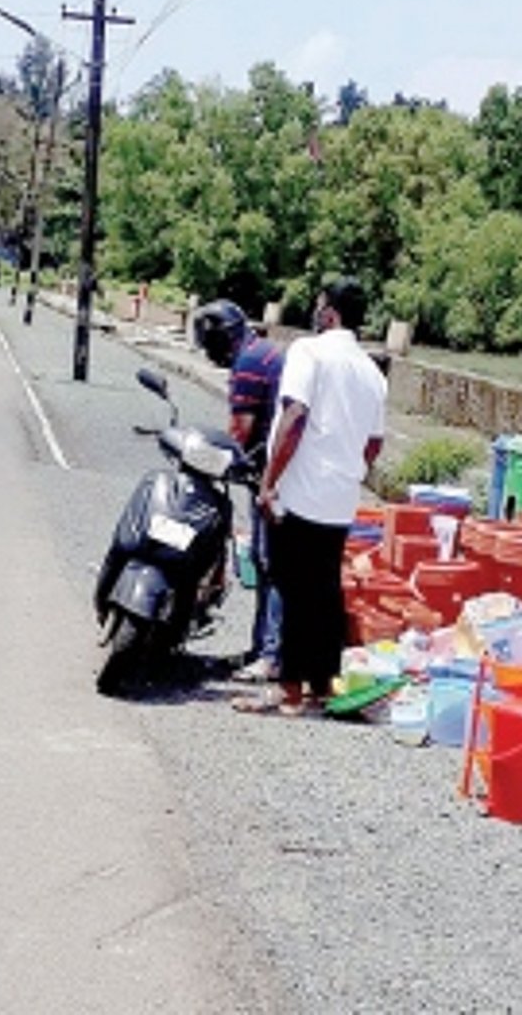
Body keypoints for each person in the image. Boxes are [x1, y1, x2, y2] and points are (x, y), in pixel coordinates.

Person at [242, 277, 387, 716]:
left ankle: (288, 690)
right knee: (324, 589)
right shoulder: (372, 372)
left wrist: (269, 481)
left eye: (320, 305)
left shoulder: (309, 351)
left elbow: (295, 415)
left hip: (300, 490)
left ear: (330, 314)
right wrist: (351, 471)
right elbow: (374, 443)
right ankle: (321, 684)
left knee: (290, 585)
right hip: (340, 497)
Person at [192, 299, 284, 681]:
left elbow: (239, 432)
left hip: (275, 476)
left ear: (221, 339)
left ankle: (271, 655)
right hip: (277, 468)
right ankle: (263, 648)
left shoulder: (248, 364)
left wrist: (211, 463)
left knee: (271, 564)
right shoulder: (261, 352)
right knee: (265, 563)